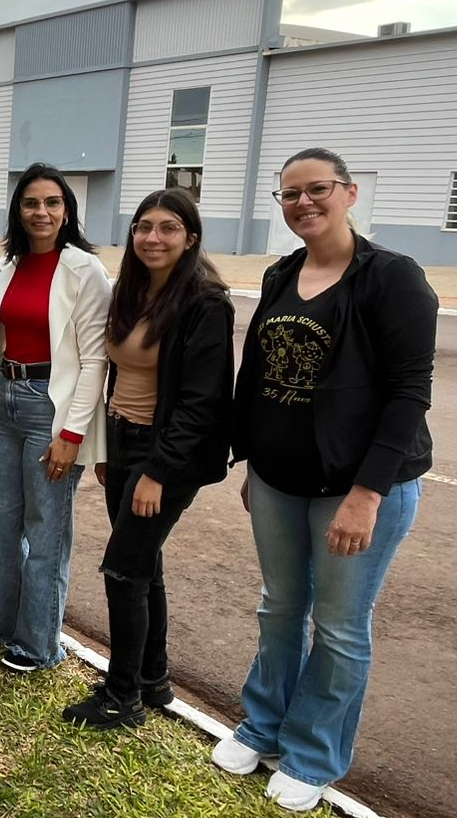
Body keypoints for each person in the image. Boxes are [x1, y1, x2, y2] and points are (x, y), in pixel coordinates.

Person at [213, 148, 435, 812]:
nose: (302, 203)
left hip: (358, 488)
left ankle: (314, 755)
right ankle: (262, 726)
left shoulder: (392, 278)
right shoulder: (284, 274)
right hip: (280, 482)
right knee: (278, 608)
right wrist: (252, 459)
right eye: (289, 194)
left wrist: (367, 495)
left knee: (340, 626)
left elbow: (408, 395)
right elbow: (258, 377)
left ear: (349, 193)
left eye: (316, 190)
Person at [62, 187, 233, 730]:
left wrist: (158, 471)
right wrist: (109, 449)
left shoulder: (206, 303)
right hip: (124, 441)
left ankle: (122, 696)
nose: (152, 238)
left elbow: (203, 401)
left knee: (122, 569)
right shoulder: (132, 292)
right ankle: (152, 679)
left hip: (166, 455)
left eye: (167, 228)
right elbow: (116, 373)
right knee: (143, 566)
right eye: (143, 227)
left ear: (191, 238)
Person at [0, 163, 109, 673]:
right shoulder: (7, 266)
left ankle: (38, 644)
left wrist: (72, 433)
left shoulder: (84, 270)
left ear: (67, 211)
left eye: (53, 202)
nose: (42, 212)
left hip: (50, 408)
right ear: (18, 210)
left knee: (46, 530)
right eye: (32, 202)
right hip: (6, 399)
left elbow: (96, 358)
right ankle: (0, 625)